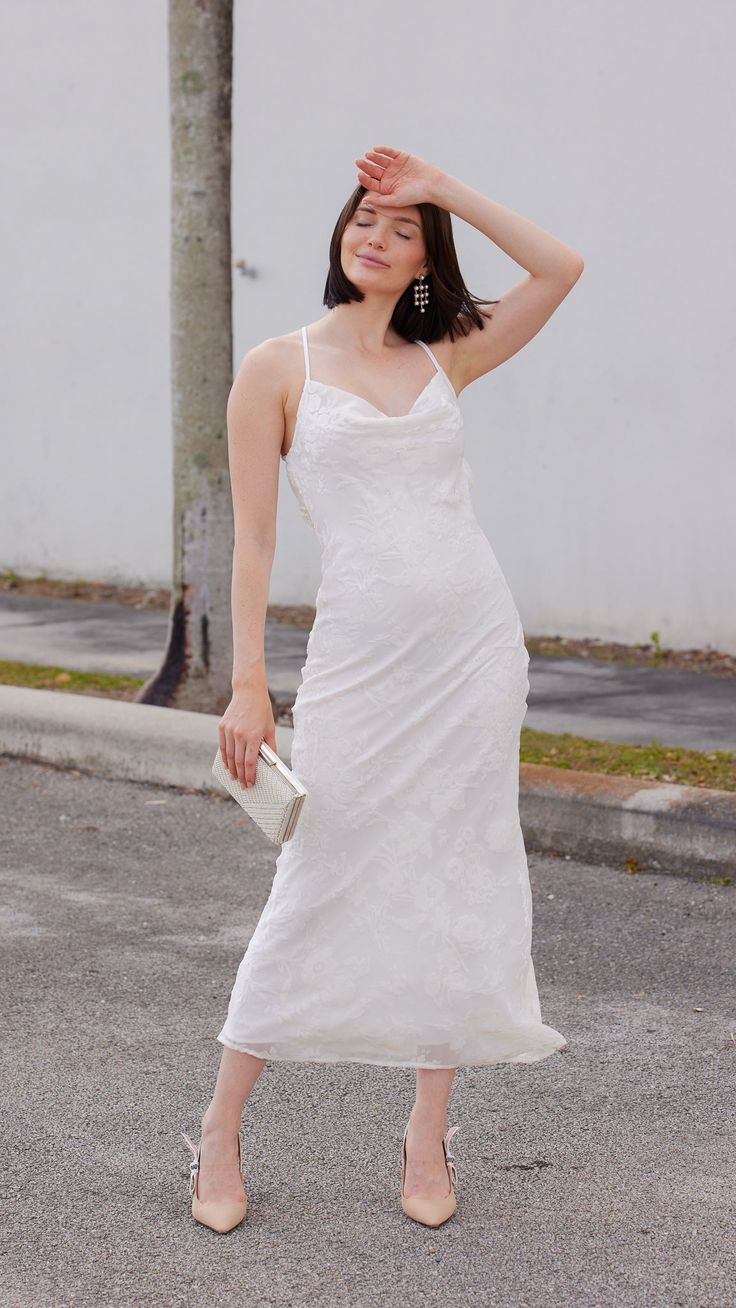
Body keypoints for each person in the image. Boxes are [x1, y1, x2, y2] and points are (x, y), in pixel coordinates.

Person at [182, 144, 584, 1233]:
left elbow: (561, 267)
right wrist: (248, 686)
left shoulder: (445, 346)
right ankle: (218, 1131)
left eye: (401, 229)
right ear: (339, 237)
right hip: (362, 660)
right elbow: (256, 540)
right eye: (365, 218)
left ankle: (424, 1134)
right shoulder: (277, 366)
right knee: (318, 875)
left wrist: (443, 189)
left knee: (455, 876)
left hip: (472, 651)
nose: (377, 234)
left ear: (423, 255)